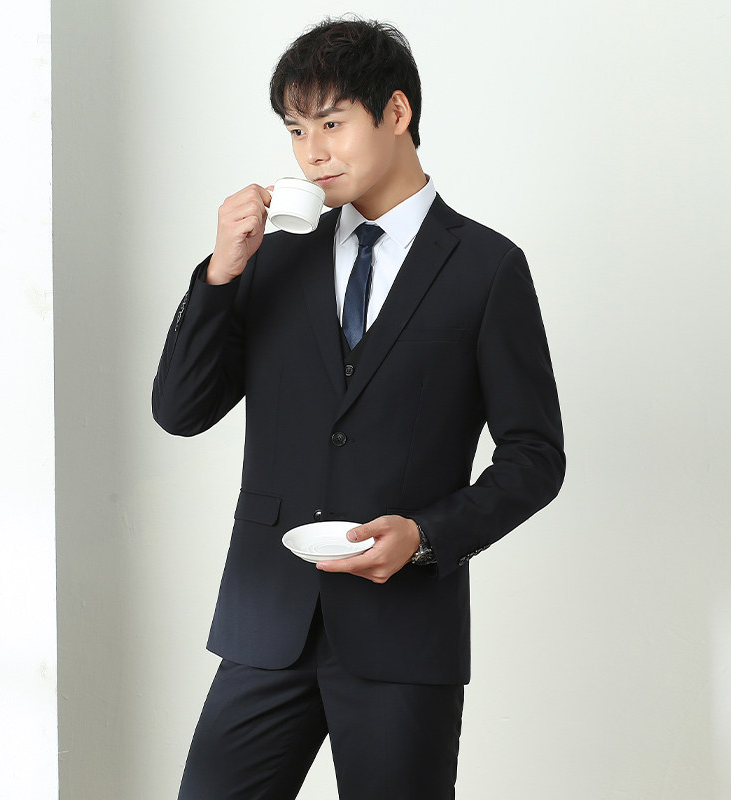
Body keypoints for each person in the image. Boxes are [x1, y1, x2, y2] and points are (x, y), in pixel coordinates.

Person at [152, 16, 564, 800]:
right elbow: (180, 409)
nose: (312, 152)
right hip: (267, 618)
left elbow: (535, 458)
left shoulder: (486, 269)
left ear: (396, 112)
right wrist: (219, 275)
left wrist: (427, 536)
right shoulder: (271, 256)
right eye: (295, 130)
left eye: (332, 123)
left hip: (402, 632)